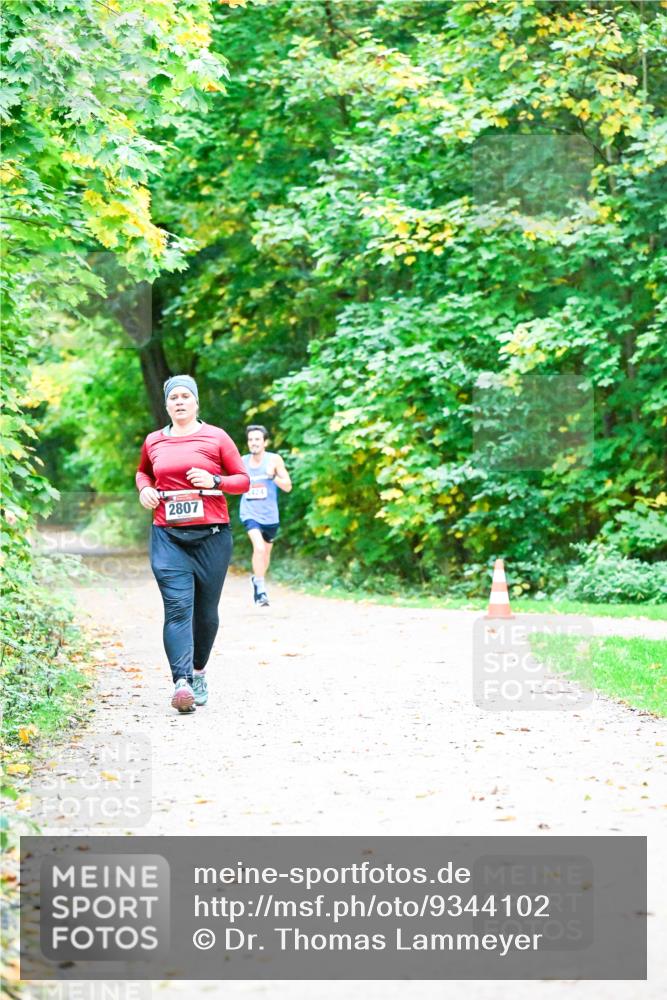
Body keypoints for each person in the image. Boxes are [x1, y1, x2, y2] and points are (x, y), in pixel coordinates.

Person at [136, 375, 250, 714]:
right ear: (167, 404)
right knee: (177, 608)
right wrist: (145, 489)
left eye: (186, 396)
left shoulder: (216, 437)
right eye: (174, 398)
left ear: (196, 402)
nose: (180, 402)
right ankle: (181, 682)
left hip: (212, 537)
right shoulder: (154, 441)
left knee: (205, 613)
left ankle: (199, 671)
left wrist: (215, 480)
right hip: (168, 536)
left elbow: (242, 480)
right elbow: (143, 472)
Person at [239, 424, 292, 607]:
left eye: (257, 439)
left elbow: (288, 486)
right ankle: (261, 591)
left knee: (265, 555)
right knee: (259, 549)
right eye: (251, 439)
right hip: (249, 512)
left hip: (270, 516)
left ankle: (257, 578)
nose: (253, 443)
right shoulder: (242, 461)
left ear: (265, 442)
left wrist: (272, 477)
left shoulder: (274, 460)